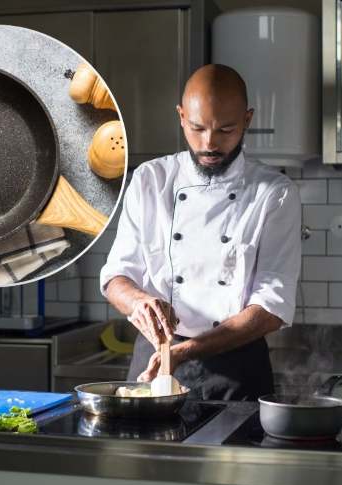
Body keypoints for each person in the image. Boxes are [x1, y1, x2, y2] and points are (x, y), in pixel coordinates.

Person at [99, 64, 301, 400]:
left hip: (237, 369)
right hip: (155, 356)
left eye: (226, 129)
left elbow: (271, 308)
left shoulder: (274, 193)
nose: (209, 144)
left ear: (247, 120)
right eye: (197, 128)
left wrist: (186, 351)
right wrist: (140, 301)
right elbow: (117, 275)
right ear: (180, 116)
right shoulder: (150, 180)